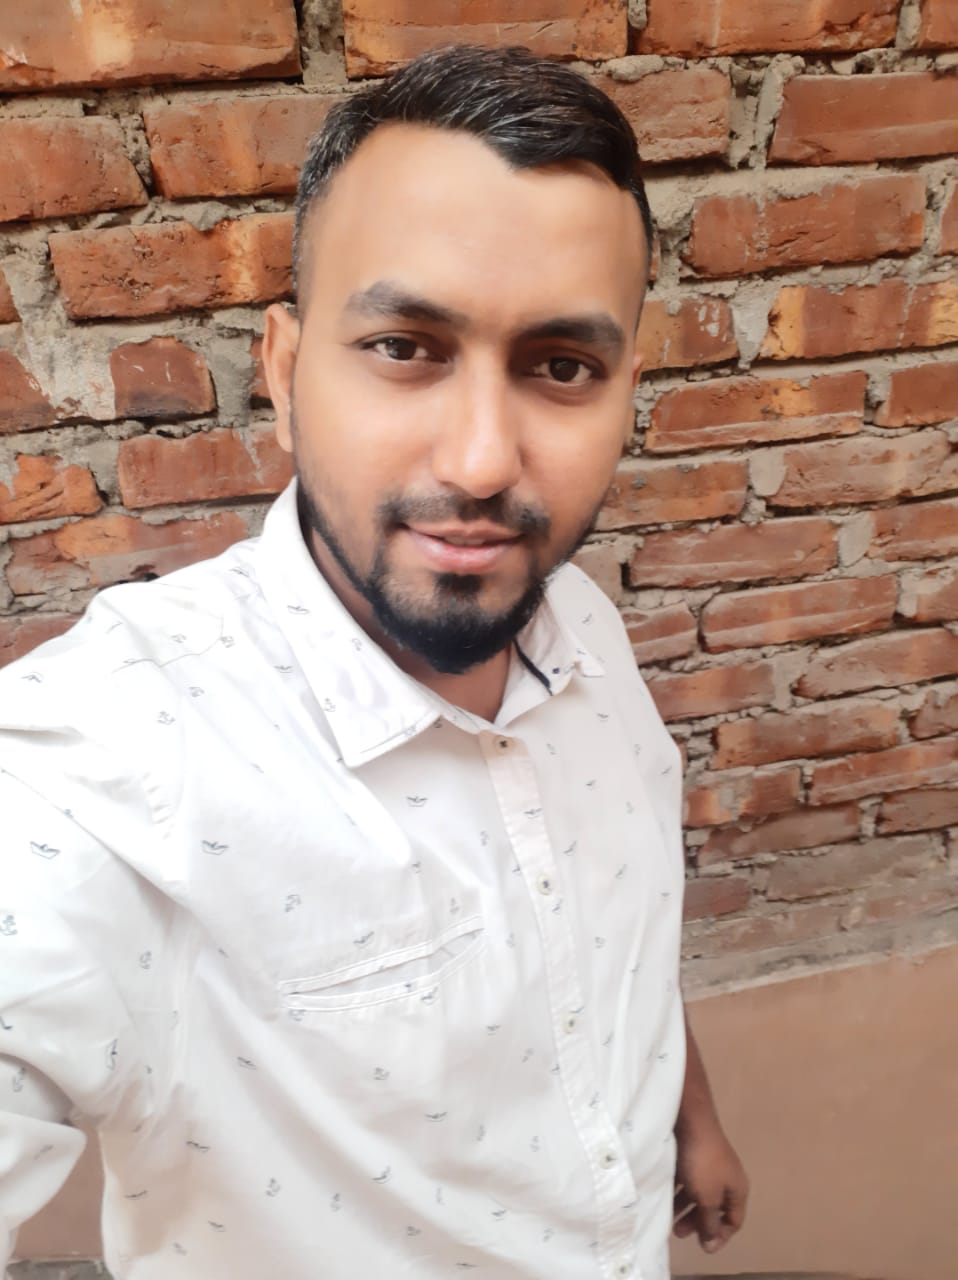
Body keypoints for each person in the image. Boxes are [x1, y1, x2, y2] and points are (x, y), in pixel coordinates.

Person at [0, 45, 747, 1280]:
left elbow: (607, 922)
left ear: (626, 391)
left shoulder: (584, 630)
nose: (479, 461)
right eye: (405, 346)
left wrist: (689, 1112)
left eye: (562, 366)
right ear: (284, 374)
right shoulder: (106, 767)